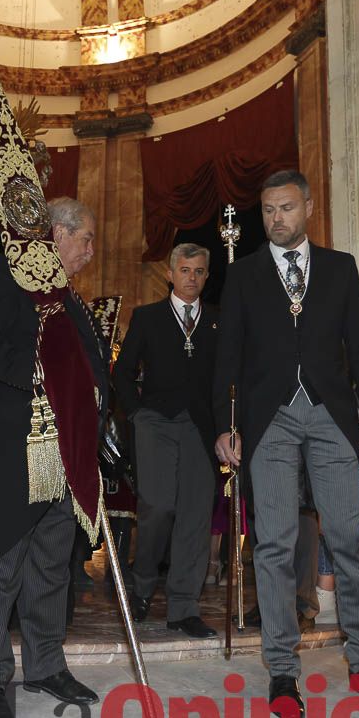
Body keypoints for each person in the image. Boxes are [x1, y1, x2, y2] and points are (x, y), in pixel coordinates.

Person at [213, 169, 359, 718]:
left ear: (308, 208)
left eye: (287, 208)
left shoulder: (340, 268)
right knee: (272, 543)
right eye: (268, 210)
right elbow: (229, 358)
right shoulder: (243, 275)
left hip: (330, 415)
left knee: (348, 538)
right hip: (268, 418)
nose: (276, 218)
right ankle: (282, 671)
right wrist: (225, 424)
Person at [0, 196, 109, 718]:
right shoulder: (6, 270)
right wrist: (43, 375)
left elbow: (89, 363)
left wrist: (98, 404)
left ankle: (46, 664)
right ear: (58, 233)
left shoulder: (66, 295)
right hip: (12, 442)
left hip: (65, 450)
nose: (91, 251)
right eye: (86, 239)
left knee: (52, 563)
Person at [114, 242, 218, 639]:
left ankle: (183, 608)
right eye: (185, 270)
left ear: (206, 276)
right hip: (155, 421)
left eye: (199, 271)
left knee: (195, 514)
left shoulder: (217, 321)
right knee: (157, 505)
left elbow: (227, 376)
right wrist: (137, 413)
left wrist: (228, 426)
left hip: (202, 428)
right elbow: (122, 372)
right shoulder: (148, 317)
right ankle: (141, 584)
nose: (192, 278)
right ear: (170, 274)